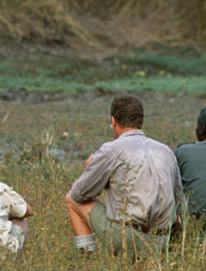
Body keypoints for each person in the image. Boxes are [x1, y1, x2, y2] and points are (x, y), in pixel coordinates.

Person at [65, 95, 184, 256]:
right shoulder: (166, 151)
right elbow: (180, 205)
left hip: (128, 239)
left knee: (71, 198)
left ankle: (87, 259)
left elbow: (80, 193)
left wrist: (91, 168)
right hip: (163, 241)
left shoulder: (111, 149)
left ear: (113, 121)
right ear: (140, 121)